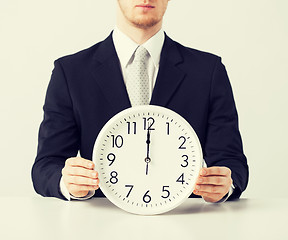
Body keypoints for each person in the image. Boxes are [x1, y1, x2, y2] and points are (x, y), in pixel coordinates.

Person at [32, 0, 248, 203]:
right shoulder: (71, 72)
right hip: (99, 222)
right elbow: (46, 165)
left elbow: (232, 162)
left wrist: (223, 186)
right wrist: (67, 181)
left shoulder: (207, 71)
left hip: (183, 220)